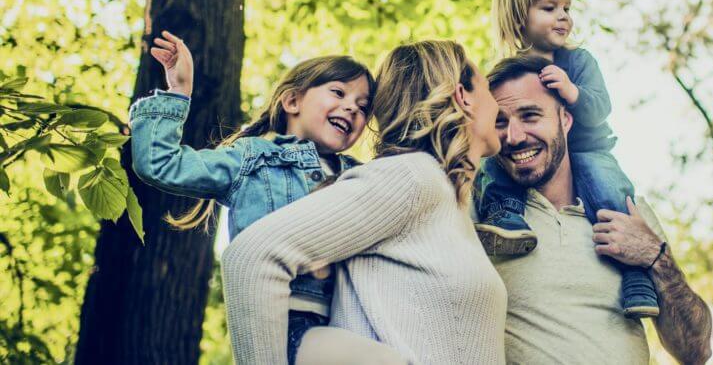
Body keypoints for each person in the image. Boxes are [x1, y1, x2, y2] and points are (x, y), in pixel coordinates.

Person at [221, 40, 509, 364]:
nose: (499, 107)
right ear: (462, 96)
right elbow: (251, 255)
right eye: (488, 88)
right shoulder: (410, 178)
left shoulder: (445, 199)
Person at [130, 31, 375, 364]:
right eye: (338, 92)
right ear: (293, 102)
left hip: (349, 320)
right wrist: (178, 92)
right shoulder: (252, 159)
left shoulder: (360, 177)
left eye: (363, 107)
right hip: (284, 325)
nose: (351, 107)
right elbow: (160, 164)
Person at [484, 55, 713, 364]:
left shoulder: (627, 211)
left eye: (530, 116)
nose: (514, 136)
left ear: (565, 120)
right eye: (500, 122)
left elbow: (695, 350)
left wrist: (656, 258)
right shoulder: (483, 215)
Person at [475, 0, 660, 318]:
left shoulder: (578, 61)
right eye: (549, 8)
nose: (563, 17)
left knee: (609, 190)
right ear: (517, 18)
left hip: (587, 150)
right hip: (534, 159)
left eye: (566, 9)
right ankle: (505, 216)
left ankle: (635, 276)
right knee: (492, 162)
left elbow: (601, 108)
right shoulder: (505, 73)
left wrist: (571, 92)